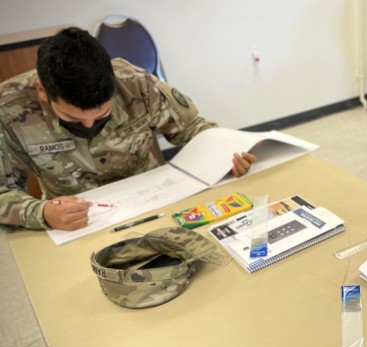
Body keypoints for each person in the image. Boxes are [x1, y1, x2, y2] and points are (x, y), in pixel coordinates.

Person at [0, 27, 256, 231]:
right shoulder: (8, 108)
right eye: (74, 120)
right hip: (77, 222)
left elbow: (192, 128)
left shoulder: (134, 82)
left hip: (155, 200)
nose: (90, 127)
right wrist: (42, 213)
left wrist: (225, 154)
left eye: (103, 115)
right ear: (42, 91)